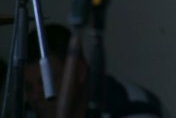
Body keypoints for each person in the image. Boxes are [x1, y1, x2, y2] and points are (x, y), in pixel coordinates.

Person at [23, 24, 162, 118]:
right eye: (28, 88)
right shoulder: (28, 112)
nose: (35, 97)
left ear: (80, 71)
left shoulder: (130, 107)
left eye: (47, 84)